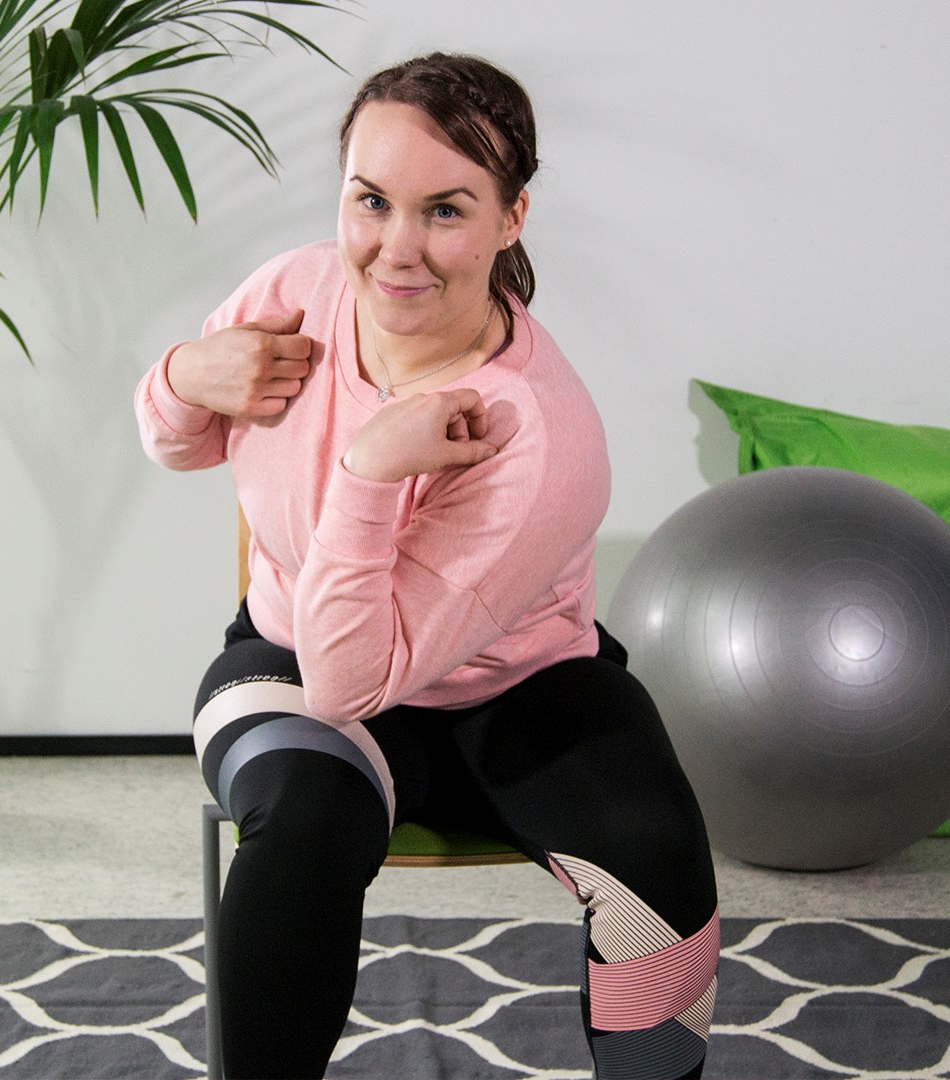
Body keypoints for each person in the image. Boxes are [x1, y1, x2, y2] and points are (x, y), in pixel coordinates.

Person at [135, 52, 719, 1080]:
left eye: (445, 211)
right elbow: (182, 445)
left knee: (657, 862)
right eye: (371, 201)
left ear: (511, 218)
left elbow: (360, 671)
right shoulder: (295, 293)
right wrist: (183, 373)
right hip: (289, 657)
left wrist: (369, 471)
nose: (396, 249)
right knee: (302, 828)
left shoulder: (539, 434)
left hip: (520, 688)